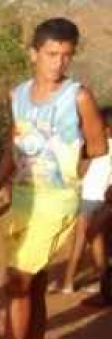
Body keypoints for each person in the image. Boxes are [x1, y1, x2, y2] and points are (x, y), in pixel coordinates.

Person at [0, 18, 108, 339]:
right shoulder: (18, 96)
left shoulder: (78, 97)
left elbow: (98, 146)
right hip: (23, 198)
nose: (58, 62)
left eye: (66, 55)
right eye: (51, 54)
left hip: (55, 200)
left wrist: (65, 152)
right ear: (33, 54)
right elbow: (11, 149)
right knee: (33, 285)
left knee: (17, 283)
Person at [58, 106, 112, 301]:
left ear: (106, 128)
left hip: (94, 198)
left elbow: (80, 172)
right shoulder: (95, 145)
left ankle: (69, 283)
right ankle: (100, 282)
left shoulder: (93, 146)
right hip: (101, 199)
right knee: (97, 241)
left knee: (81, 242)